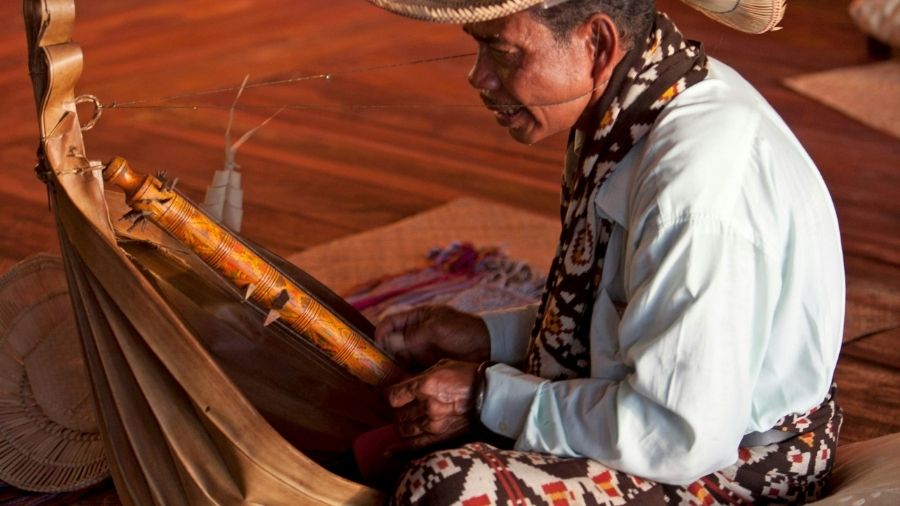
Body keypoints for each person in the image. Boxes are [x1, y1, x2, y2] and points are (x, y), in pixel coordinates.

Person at [368, 0, 845, 503]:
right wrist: (487, 338)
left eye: (501, 51)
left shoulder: (695, 188)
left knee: (444, 488)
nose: (479, 77)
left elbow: (677, 436)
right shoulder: (642, 101)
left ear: (596, 45)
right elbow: (627, 318)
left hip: (736, 463)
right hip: (682, 429)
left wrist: (486, 395)